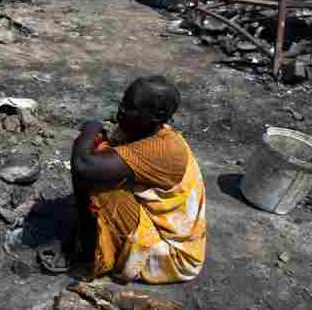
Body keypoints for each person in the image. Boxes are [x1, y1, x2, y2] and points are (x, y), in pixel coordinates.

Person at [42, 76, 207, 284]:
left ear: (158, 116)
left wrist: (91, 127)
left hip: (174, 256)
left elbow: (83, 166)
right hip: (156, 227)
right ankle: (86, 240)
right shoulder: (139, 129)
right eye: (123, 103)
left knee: (100, 183)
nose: (121, 110)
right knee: (102, 161)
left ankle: (88, 254)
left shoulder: (164, 148)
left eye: (131, 107)